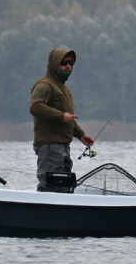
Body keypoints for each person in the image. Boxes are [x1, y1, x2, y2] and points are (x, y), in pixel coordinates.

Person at [29, 48, 95, 191]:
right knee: (50, 188)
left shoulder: (64, 89)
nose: (68, 66)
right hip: (49, 147)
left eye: (71, 63)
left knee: (63, 188)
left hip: (63, 148)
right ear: (55, 64)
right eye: (64, 63)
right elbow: (35, 107)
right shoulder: (44, 85)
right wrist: (61, 116)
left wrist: (81, 134)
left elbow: (68, 118)